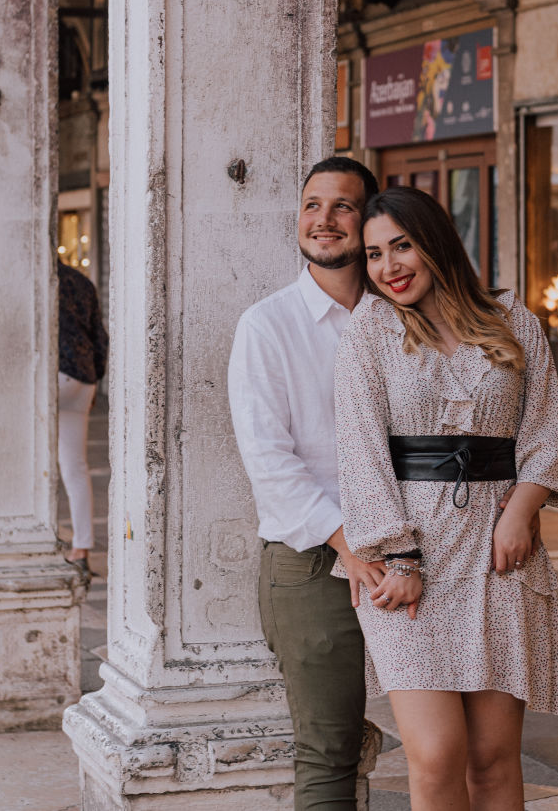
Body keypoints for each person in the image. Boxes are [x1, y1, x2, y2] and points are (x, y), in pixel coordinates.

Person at [333, 186, 558, 811]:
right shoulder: (370, 328)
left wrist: (523, 510)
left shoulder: (512, 319)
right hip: (409, 560)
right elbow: (360, 451)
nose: (388, 267)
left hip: (499, 557)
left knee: (494, 760)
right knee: (437, 754)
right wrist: (400, 557)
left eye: (401, 246)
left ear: (435, 240)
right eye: (373, 255)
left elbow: (546, 427)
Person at [228, 156, 384, 811]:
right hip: (313, 559)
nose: (324, 219)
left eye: (342, 205)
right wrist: (351, 545)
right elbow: (270, 462)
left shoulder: (398, 318)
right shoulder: (267, 326)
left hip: (402, 549)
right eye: (312, 205)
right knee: (325, 752)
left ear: (368, 220)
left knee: (441, 738)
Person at [58, 257, 108, 577]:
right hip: (83, 378)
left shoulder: (38, 279)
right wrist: (92, 383)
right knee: (76, 466)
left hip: (54, 372)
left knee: (37, 463)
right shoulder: (81, 281)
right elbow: (99, 338)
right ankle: (81, 548)